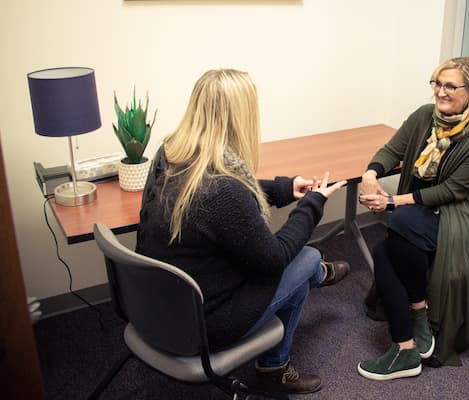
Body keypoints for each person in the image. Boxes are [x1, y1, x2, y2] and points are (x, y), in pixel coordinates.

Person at [135, 69, 349, 394]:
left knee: (300, 269)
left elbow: (229, 198)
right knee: (305, 258)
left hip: (158, 309)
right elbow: (273, 258)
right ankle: (277, 362)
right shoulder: (223, 191)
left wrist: (283, 188)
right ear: (242, 116)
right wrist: (313, 203)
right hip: (203, 325)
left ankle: (280, 354)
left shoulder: (169, 155)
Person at [357, 57, 469, 379]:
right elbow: (391, 150)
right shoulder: (425, 116)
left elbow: (451, 190)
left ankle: (415, 322)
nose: (440, 92)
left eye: (450, 85)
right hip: (420, 207)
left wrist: (391, 201)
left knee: (399, 224)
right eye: (437, 83)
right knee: (386, 248)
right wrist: (370, 175)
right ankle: (409, 340)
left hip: (461, 211)